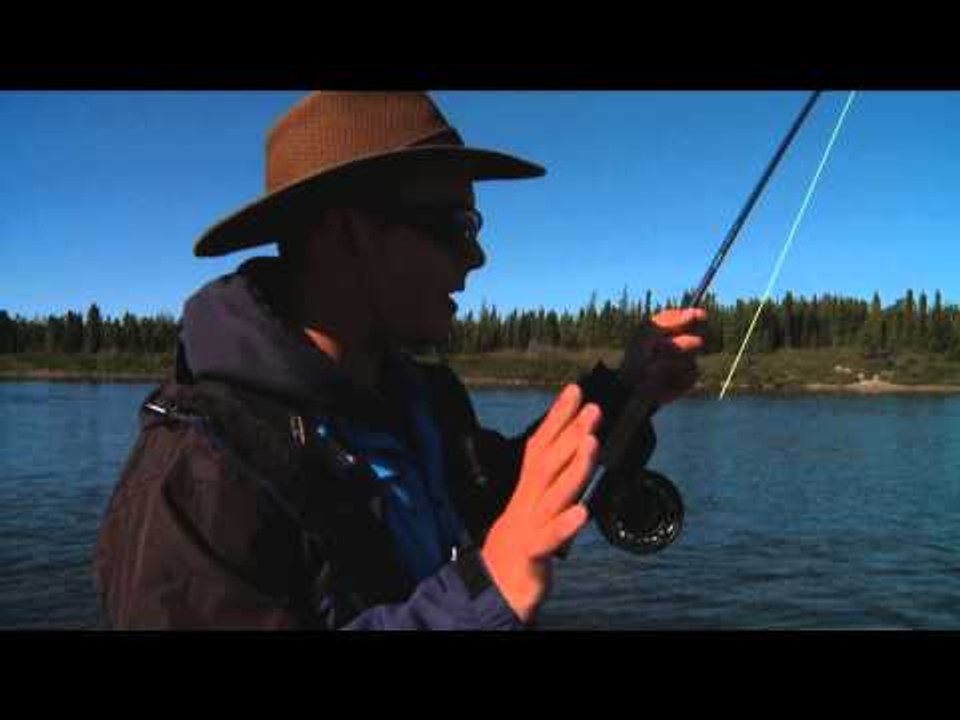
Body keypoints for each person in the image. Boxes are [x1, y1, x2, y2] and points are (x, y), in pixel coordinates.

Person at [93, 91, 706, 630]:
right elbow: (498, 560)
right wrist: (488, 592)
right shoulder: (194, 478)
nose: (477, 257)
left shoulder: (423, 399)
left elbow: (507, 496)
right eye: (456, 226)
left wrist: (627, 388)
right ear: (345, 234)